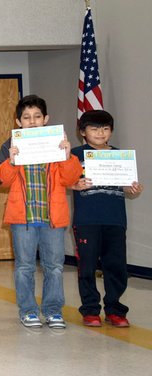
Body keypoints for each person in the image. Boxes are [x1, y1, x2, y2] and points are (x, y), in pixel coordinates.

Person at [0, 95, 81, 329]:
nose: (32, 121)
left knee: (54, 266)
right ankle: (28, 311)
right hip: (23, 217)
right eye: (26, 117)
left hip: (52, 217)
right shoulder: (10, 145)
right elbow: (1, 180)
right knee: (25, 266)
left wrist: (67, 157)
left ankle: (53, 310)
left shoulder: (57, 142)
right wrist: (11, 161)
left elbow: (71, 177)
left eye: (37, 117)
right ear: (18, 121)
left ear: (46, 119)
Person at [69, 110, 143, 327]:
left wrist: (133, 188)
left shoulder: (120, 155)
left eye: (105, 128)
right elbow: (62, 181)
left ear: (111, 131)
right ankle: (90, 310)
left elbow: (129, 187)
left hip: (115, 220)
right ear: (82, 132)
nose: (100, 133)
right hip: (86, 221)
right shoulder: (74, 155)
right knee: (88, 266)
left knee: (116, 266)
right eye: (93, 128)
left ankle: (115, 309)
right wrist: (74, 185)